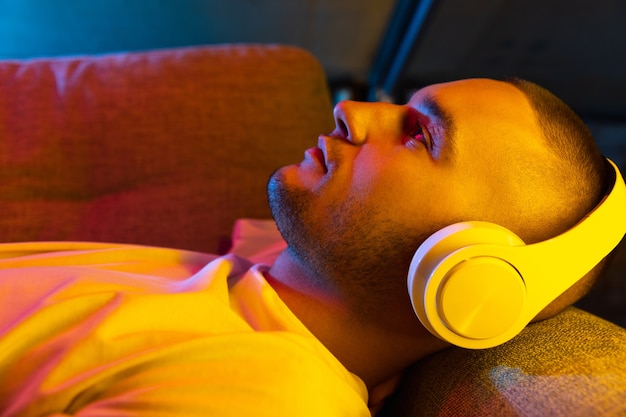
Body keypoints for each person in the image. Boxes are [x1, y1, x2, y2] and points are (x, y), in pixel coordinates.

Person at [0, 78, 614, 416]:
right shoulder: (236, 287)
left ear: (472, 274)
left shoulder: (269, 396)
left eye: (420, 134)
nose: (352, 109)